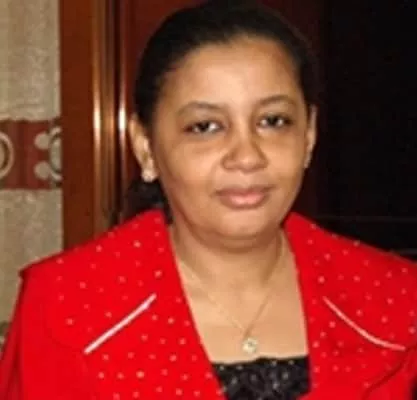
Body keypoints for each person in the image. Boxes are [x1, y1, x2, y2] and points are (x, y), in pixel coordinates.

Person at [0, 1, 416, 399]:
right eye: (205, 126)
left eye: (273, 121)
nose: (247, 156)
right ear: (145, 147)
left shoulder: (396, 301)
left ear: (308, 136)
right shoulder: (66, 305)